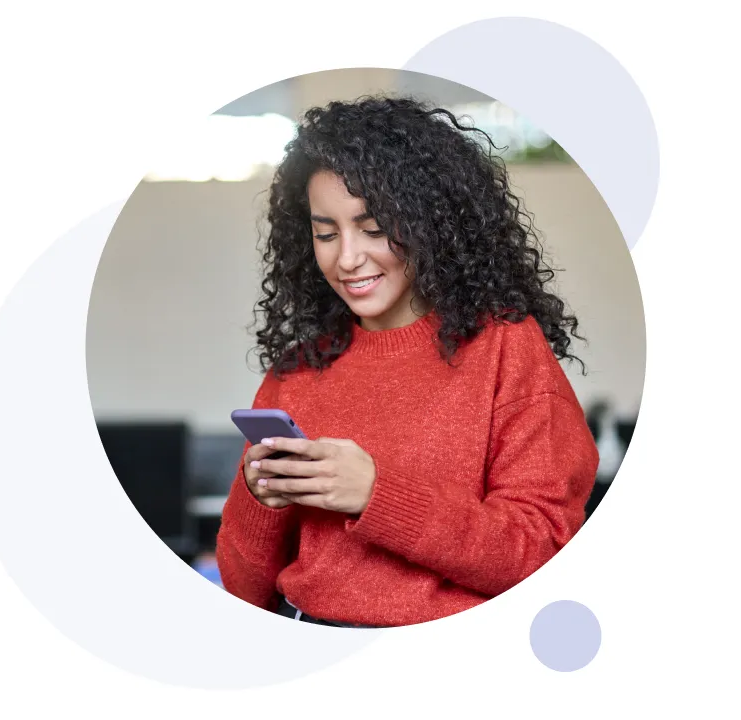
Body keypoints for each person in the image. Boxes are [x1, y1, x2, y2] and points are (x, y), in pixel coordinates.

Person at [215, 96, 599, 628]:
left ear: (431, 223)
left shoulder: (506, 349)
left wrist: (376, 495)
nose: (346, 258)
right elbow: (242, 594)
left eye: (373, 229)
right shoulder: (296, 373)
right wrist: (264, 502)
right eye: (326, 232)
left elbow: (542, 554)